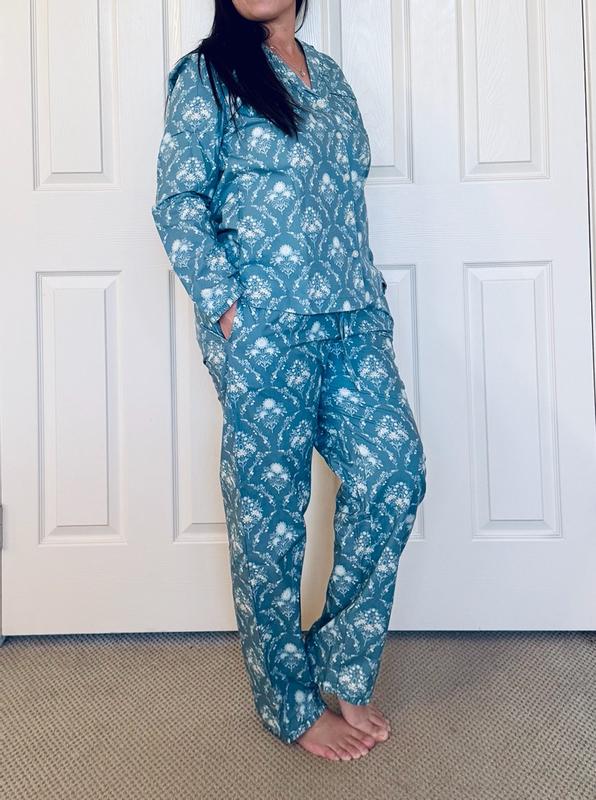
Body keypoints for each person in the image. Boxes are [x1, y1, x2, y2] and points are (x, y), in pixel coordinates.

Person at [151, 0, 427, 762]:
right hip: (265, 326)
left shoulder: (329, 78)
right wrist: (229, 308)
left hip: (351, 318)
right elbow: (178, 203)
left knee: (394, 472)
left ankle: (342, 663)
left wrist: (371, 303)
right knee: (270, 517)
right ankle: (289, 703)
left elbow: (345, 202)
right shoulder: (209, 75)